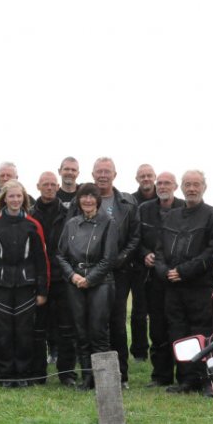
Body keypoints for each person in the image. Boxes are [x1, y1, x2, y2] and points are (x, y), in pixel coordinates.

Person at [154, 170, 213, 394]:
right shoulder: (170, 216)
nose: (192, 189)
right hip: (173, 287)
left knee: (204, 332)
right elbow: (159, 250)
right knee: (178, 332)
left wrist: (184, 271)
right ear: (181, 187)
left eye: (196, 184)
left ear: (204, 187)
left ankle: (207, 379)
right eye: (188, 184)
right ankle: (186, 379)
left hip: (201, 286)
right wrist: (165, 271)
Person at [0, 180, 48, 387]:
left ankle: (23, 374)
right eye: (11, 196)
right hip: (0, 286)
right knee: (2, 333)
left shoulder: (33, 225)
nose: (15, 200)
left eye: (19, 196)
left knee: (25, 332)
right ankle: (6, 374)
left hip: (27, 286)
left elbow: (42, 260)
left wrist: (42, 290)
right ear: (4, 199)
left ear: (24, 198)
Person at [56, 184, 118, 390]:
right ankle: (87, 378)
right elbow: (61, 255)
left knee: (98, 332)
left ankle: (104, 380)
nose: (88, 200)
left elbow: (109, 258)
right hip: (75, 281)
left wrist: (90, 279)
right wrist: (72, 275)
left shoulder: (108, 223)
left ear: (98, 200)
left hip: (100, 282)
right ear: (79, 200)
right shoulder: (71, 224)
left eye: (92, 197)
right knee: (81, 333)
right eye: (84, 196)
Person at [89, 157, 140, 387]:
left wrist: (117, 260)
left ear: (114, 175)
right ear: (92, 174)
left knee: (117, 323)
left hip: (119, 272)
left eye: (107, 171)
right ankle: (95, 374)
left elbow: (135, 237)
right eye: (99, 171)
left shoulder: (127, 203)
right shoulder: (84, 199)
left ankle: (121, 375)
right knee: (95, 323)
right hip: (91, 272)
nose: (103, 175)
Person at [138, 172, 185, 387]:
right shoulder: (144, 210)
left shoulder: (185, 208)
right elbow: (135, 238)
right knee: (157, 327)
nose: (162, 186)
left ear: (175, 186)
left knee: (179, 326)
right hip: (153, 278)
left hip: (178, 276)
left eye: (167, 183)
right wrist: (144, 254)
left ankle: (185, 373)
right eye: (160, 183)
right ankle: (160, 375)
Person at [31, 171, 77, 386]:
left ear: (58, 187)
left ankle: (67, 373)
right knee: (38, 329)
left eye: (52, 184)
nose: (49, 188)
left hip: (63, 277)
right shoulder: (30, 214)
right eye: (45, 184)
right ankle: (38, 373)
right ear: (38, 186)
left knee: (67, 328)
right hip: (37, 278)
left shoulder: (69, 214)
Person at [128, 163, 158, 362]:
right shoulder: (131, 201)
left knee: (159, 310)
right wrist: (144, 254)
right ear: (137, 179)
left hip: (163, 262)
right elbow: (131, 234)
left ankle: (160, 348)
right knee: (139, 311)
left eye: (149, 175)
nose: (146, 179)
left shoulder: (165, 198)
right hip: (138, 263)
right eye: (142, 176)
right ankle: (139, 352)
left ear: (154, 177)